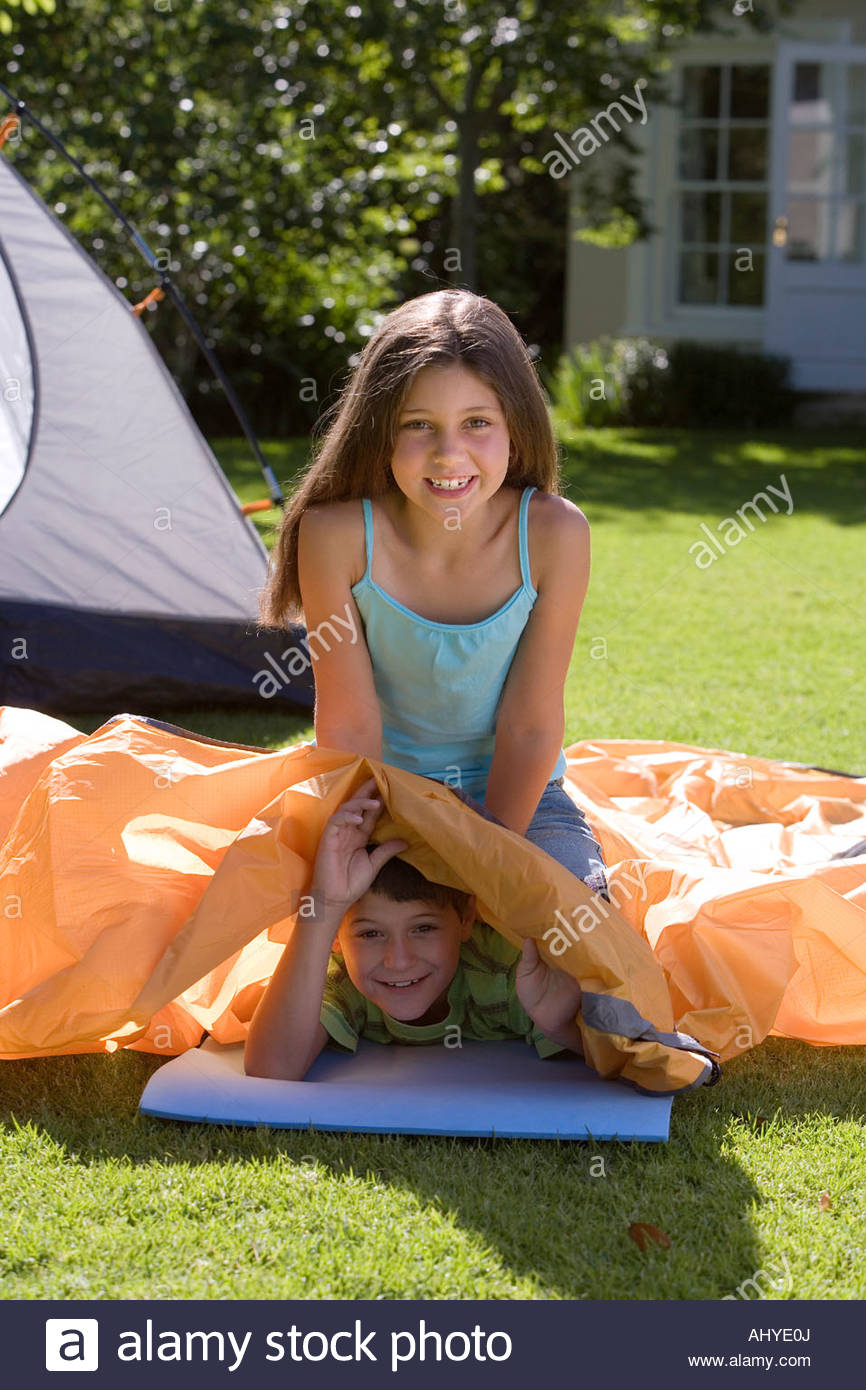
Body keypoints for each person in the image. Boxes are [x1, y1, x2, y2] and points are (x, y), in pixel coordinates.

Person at [261, 287, 609, 900]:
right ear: (378, 432)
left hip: (522, 798)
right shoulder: (336, 535)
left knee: (580, 947)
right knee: (341, 934)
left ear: (516, 426)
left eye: (477, 423)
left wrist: (489, 859)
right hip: (378, 793)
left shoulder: (554, 533)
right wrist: (375, 846)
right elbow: (349, 725)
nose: (450, 454)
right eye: (418, 426)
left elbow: (529, 728)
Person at [244, 780, 585, 1081]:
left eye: (423, 928)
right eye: (370, 934)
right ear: (336, 935)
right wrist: (327, 905)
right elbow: (272, 1068)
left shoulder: (510, 973)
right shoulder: (343, 981)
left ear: (466, 918)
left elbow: (625, 1053)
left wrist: (563, 1029)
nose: (398, 961)